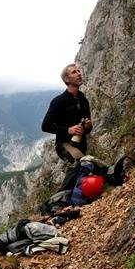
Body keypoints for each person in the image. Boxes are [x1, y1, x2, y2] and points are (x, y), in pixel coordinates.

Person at [42, 63, 93, 191]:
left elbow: (88, 129)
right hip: (64, 144)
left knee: (82, 169)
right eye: (74, 72)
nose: (79, 73)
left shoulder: (83, 100)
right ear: (66, 79)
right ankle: (59, 199)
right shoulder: (58, 101)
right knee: (78, 163)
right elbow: (45, 126)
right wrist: (67, 130)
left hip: (81, 144)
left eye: (79, 71)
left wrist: (88, 126)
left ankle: (74, 197)